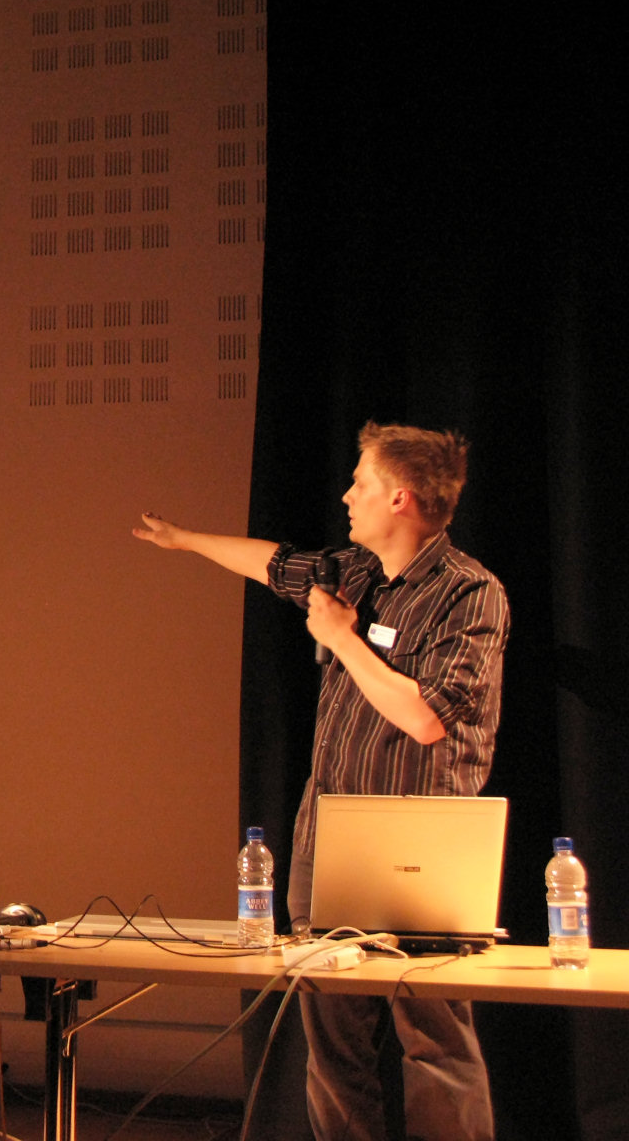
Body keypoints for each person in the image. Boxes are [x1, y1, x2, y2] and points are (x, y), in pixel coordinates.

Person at [133, 422, 510, 1141]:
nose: (347, 495)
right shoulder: (354, 573)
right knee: (333, 1039)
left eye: (361, 482)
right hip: (330, 834)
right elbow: (274, 563)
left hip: (421, 842)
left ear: (400, 497)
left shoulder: (469, 592)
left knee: (434, 1037)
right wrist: (184, 540)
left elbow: (427, 717)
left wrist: (341, 638)